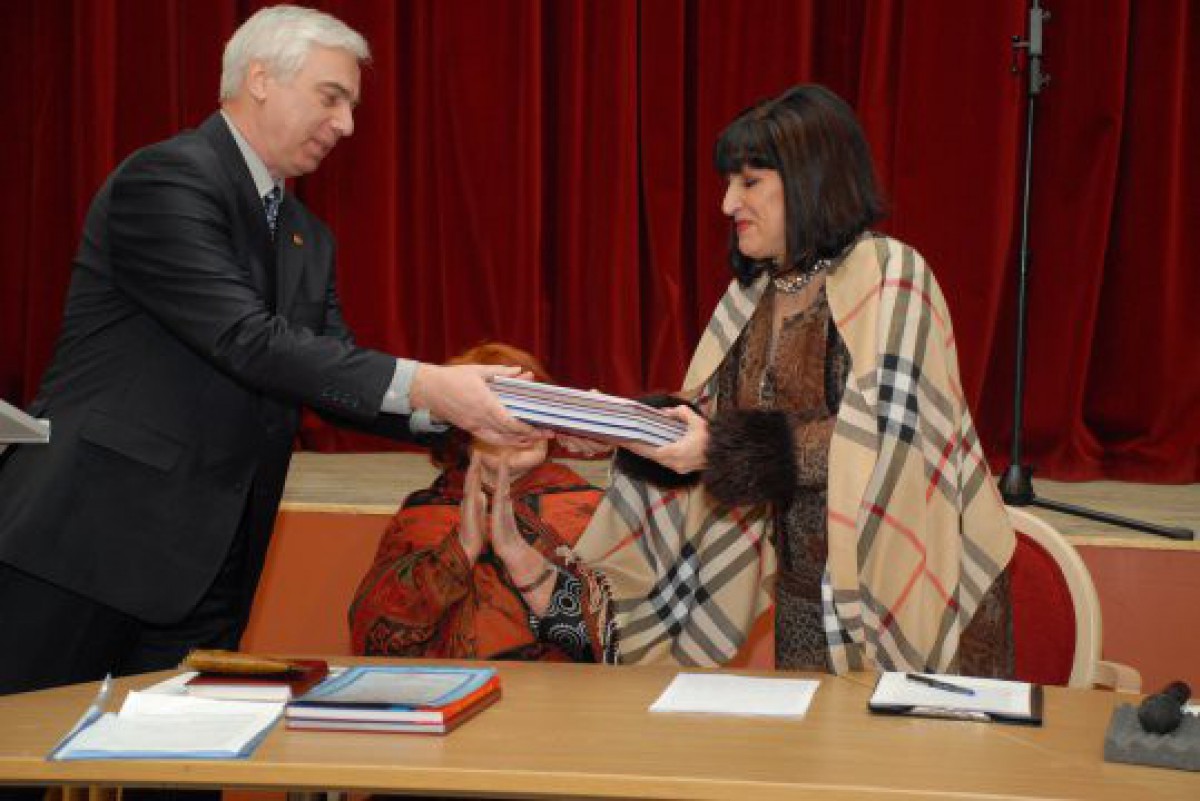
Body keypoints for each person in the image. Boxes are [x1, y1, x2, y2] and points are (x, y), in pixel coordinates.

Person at [0, 5, 541, 698]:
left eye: (351, 105)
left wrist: (469, 415)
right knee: (24, 741)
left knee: (178, 755)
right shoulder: (167, 179)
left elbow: (328, 371)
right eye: (331, 97)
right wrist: (434, 385)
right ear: (260, 79)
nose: (346, 125)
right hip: (87, 544)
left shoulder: (306, 234)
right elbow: (246, 339)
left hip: (212, 564)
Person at [565, 84, 1016, 676]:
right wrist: (625, 428)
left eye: (749, 182)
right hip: (805, 596)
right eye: (729, 183)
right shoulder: (750, 294)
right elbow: (712, 417)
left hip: (914, 584)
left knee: (905, 738)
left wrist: (717, 447)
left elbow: (889, 438)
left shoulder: (895, 274)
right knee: (815, 737)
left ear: (809, 180)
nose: (727, 204)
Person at [349, 342, 612, 663]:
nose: (520, 424)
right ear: (463, 431)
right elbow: (373, 639)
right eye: (502, 411)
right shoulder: (425, 515)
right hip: (451, 689)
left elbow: (626, 638)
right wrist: (458, 552)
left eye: (533, 408)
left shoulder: (593, 509)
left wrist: (524, 563)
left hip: (570, 691)